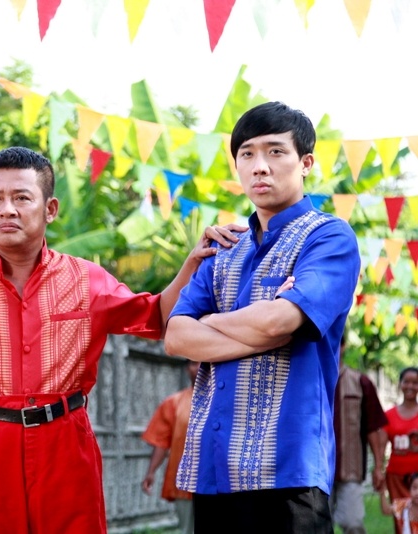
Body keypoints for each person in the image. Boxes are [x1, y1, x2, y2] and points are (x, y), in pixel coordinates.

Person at [0, 146, 241, 534]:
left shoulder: (86, 279)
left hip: (65, 444)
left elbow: (157, 316)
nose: (6, 209)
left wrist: (192, 263)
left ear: (51, 209)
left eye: (21, 197)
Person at [164, 101, 361, 533]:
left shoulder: (328, 237)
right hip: (215, 466)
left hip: (289, 467)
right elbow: (176, 337)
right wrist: (266, 323)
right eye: (247, 154)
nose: (260, 166)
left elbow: (280, 322)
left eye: (275, 152)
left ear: (305, 163)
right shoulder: (223, 247)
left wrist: (210, 323)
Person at [331, 334, 388, 534]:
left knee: (353, 523)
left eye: (336, 341)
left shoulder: (361, 382)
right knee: (316, 526)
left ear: (343, 346)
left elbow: (374, 428)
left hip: (351, 468)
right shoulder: (312, 381)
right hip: (317, 471)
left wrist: (378, 467)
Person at [141, 360, 200, 534]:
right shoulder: (174, 403)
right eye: (193, 363)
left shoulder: (224, 401)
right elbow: (161, 441)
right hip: (184, 478)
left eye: (203, 363)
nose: (198, 368)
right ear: (187, 369)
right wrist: (151, 472)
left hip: (218, 481)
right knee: (188, 529)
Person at [383, 368, 418, 507]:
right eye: (406, 382)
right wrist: (378, 471)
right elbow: (380, 449)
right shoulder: (388, 415)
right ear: (400, 384)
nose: (410, 386)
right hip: (396, 477)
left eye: (415, 383)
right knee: (400, 515)